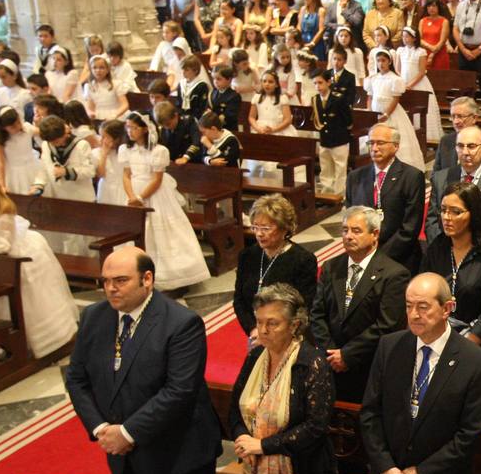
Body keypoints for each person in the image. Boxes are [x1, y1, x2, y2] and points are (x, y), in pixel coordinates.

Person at [65, 246, 220, 474]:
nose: (111, 288)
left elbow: (179, 391)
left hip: (176, 457)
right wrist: (102, 429)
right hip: (122, 456)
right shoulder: (94, 317)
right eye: (106, 281)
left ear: (147, 279)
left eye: (121, 280)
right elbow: (77, 379)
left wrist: (127, 433)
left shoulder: (182, 323)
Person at [360, 272, 481, 474]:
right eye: (409, 306)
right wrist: (386, 468)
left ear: (448, 308)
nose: (413, 314)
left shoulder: (476, 362)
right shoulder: (389, 347)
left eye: (423, 307)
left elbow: (469, 435)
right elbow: (370, 414)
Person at [229, 284, 337, 474]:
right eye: (259, 322)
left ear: (294, 325)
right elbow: (236, 409)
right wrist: (242, 439)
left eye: (273, 323)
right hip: (255, 467)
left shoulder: (311, 363)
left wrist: (263, 446)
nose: (263, 331)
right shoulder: (255, 357)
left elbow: (315, 427)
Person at [312, 206, 410, 440]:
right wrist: (330, 353)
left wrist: (347, 354)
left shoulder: (394, 274)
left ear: (375, 234)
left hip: (368, 366)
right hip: (330, 364)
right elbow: (316, 314)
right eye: (345, 230)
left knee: (360, 435)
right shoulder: (331, 267)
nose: (348, 236)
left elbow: (387, 325)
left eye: (356, 231)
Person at [420, 181, 481, 421]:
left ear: (473, 214)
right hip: (437, 339)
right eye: (443, 210)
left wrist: (462, 345)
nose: (447, 217)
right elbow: (424, 294)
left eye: (456, 212)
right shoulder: (437, 248)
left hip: (478, 344)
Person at [0, 177, 77, 358]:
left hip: (20, 253)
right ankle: (4, 339)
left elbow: (4, 246)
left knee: (31, 294)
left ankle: (46, 339)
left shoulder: (5, 215)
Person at [120, 112, 211, 290]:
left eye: (134, 128)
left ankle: (170, 275)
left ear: (145, 129)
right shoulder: (126, 150)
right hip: (134, 194)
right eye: (128, 127)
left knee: (163, 232)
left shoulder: (158, 151)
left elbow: (157, 179)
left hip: (154, 195)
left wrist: (140, 197)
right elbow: (126, 175)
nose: (130, 131)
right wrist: (131, 196)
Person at [232, 194, 318, 343]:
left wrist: (275, 333)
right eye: (255, 227)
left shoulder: (303, 260)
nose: (259, 233)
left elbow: (304, 307)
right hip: (256, 335)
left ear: (285, 229)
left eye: (266, 228)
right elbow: (239, 299)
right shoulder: (247, 255)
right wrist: (254, 329)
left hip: (290, 337)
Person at [344, 123, 425, 274]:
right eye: (371, 143)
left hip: (400, 258)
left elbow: (410, 227)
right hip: (362, 256)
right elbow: (350, 219)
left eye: (380, 143)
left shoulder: (412, 176)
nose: (374, 148)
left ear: (395, 146)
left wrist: (378, 257)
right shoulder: (355, 177)